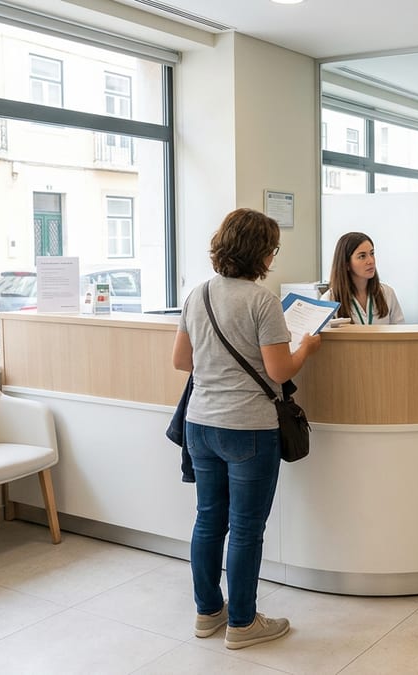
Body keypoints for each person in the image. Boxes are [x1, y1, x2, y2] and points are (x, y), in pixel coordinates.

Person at [171, 208, 320, 649]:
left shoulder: (197, 294)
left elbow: (182, 362)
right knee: (246, 527)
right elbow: (279, 370)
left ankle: (207, 613)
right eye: (273, 249)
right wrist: (307, 346)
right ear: (260, 253)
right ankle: (242, 622)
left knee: (208, 521)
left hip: (200, 423)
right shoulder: (262, 301)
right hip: (249, 430)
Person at [323, 232, 405, 324]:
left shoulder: (387, 293)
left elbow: (400, 332)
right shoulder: (329, 300)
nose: (371, 261)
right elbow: (325, 336)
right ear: (346, 264)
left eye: (372, 253)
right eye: (362, 256)